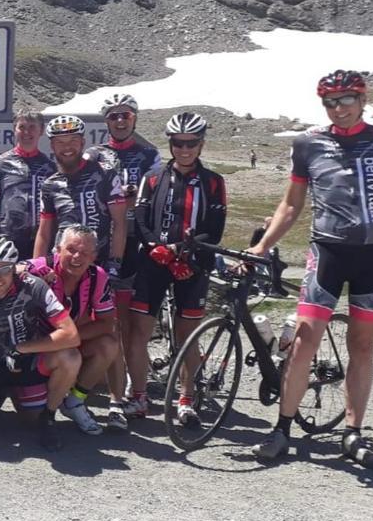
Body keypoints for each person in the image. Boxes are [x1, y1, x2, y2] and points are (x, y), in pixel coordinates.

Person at [248, 71, 373, 465]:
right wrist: (264, 245)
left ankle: (353, 432)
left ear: (362, 99)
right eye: (330, 102)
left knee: (362, 347)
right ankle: (281, 429)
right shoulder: (308, 144)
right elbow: (292, 204)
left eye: (347, 99)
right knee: (303, 344)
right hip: (327, 253)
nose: (339, 108)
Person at [125, 112, 227, 426]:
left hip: (192, 266)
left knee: (188, 336)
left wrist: (184, 255)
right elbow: (141, 219)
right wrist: (160, 249)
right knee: (138, 332)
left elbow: (215, 228)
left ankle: (186, 400)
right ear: (170, 143)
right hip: (154, 263)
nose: (184, 149)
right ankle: (140, 396)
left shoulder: (213, 182)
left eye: (191, 143)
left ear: (201, 144)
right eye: (178, 143)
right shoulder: (153, 177)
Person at [0, 238, 83, 455]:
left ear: (14, 268)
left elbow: (71, 335)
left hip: (28, 361)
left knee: (70, 357)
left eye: (3, 270)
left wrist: (21, 348)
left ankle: (47, 418)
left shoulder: (34, 285)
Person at [94, 93, 162, 423]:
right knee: (115, 322)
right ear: (106, 121)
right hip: (108, 243)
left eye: (126, 115)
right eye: (114, 116)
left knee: (137, 327)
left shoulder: (150, 153)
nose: (120, 121)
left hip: (143, 242)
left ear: (134, 118)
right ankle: (118, 393)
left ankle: (140, 392)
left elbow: (156, 191)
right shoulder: (95, 155)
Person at [25, 225, 121, 433]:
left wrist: (71, 337)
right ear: (57, 250)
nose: (77, 257)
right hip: (33, 347)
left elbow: (107, 323)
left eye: (85, 252)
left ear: (94, 256)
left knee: (109, 344)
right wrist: (27, 274)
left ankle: (75, 402)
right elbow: (2, 270)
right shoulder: (42, 266)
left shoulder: (98, 276)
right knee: (28, 418)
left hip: (66, 343)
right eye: (71, 250)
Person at [34, 114, 127, 271]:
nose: (67, 147)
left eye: (73, 141)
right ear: (52, 146)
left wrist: (115, 263)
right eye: (60, 142)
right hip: (63, 265)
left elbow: (120, 222)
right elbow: (44, 232)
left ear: (83, 142)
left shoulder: (105, 173)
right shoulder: (49, 185)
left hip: (99, 263)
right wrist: (36, 267)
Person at [0, 110, 54, 260]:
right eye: (22, 127)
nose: (26, 132)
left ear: (42, 131)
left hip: (40, 242)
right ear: (14, 130)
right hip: (6, 243)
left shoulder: (50, 168)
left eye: (32, 127)